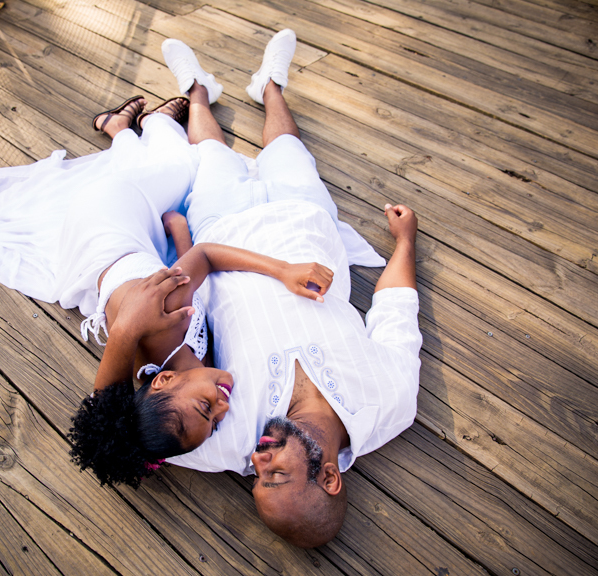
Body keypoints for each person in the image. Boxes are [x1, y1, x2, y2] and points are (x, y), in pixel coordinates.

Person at [0, 93, 334, 489]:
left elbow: (204, 258)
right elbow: (109, 407)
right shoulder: (166, 377)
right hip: (114, 258)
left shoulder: (164, 322)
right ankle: (119, 129)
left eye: (209, 408)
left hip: (106, 221)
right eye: (216, 422)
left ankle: (148, 124)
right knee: (170, 192)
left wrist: (283, 270)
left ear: (163, 379)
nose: (225, 407)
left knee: (185, 166)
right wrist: (178, 234)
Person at [152, 31, 422, 547]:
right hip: (306, 224)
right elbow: (394, 310)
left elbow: (138, 438)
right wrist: (405, 243)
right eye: (274, 474)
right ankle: (271, 86)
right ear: (328, 477)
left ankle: (197, 91)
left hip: (222, 235)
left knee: (211, 155)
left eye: (256, 478)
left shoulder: (226, 438)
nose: (258, 462)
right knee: (287, 148)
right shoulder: (391, 404)